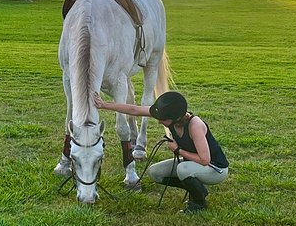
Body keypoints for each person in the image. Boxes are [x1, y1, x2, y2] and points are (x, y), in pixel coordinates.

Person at [93, 90, 229, 213]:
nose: (159, 121)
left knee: (183, 169)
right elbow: (134, 109)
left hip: (215, 169)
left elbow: (205, 160)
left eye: (162, 119)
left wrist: (178, 150)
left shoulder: (195, 125)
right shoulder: (169, 115)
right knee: (155, 173)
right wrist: (104, 105)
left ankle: (198, 204)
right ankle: (198, 190)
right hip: (193, 164)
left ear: (175, 118)